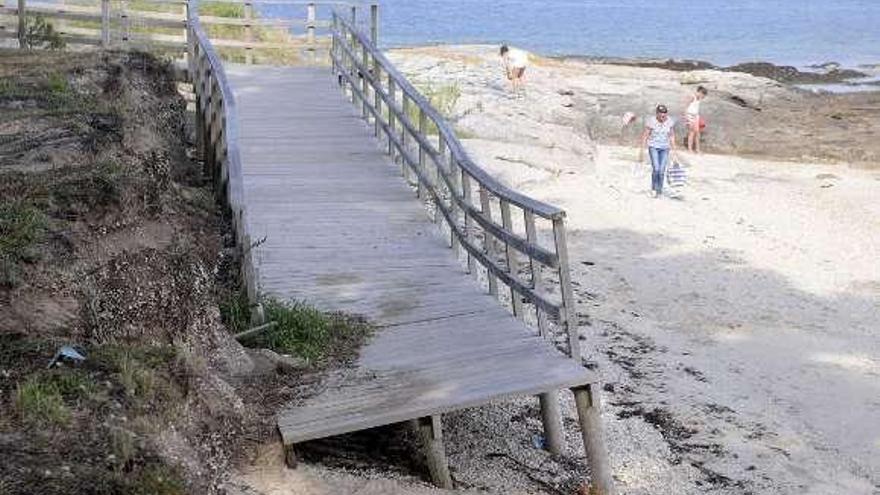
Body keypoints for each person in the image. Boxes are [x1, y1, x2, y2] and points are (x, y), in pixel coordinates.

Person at [640, 104, 677, 198]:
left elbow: (671, 135)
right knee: (656, 168)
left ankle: (659, 190)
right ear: (657, 113)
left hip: (665, 148)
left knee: (661, 170)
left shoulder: (670, 121)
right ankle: (653, 188)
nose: (662, 116)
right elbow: (645, 135)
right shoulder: (651, 121)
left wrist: (674, 150)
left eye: (664, 114)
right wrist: (642, 150)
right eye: (660, 114)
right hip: (653, 147)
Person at [685, 86, 708, 153]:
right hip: (690, 116)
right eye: (703, 94)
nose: (703, 97)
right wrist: (687, 118)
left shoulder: (699, 99)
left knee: (698, 133)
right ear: (699, 92)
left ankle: (697, 149)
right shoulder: (692, 97)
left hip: (696, 116)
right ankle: (690, 149)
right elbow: (686, 106)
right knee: (691, 133)